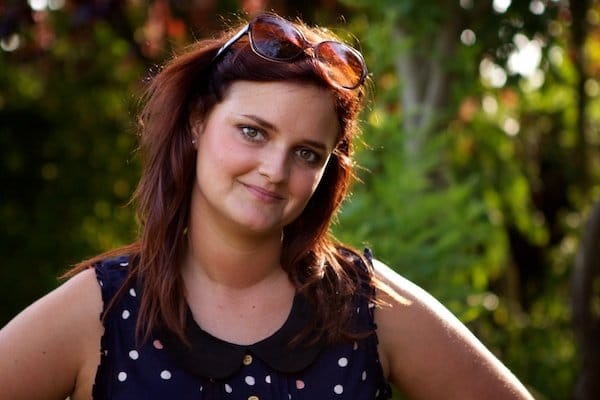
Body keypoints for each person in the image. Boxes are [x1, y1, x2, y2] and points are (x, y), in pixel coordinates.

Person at [0, 12, 534, 400]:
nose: (275, 171)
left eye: (307, 153)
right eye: (253, 132)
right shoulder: (102, 310)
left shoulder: (369, 307)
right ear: (197, 123)